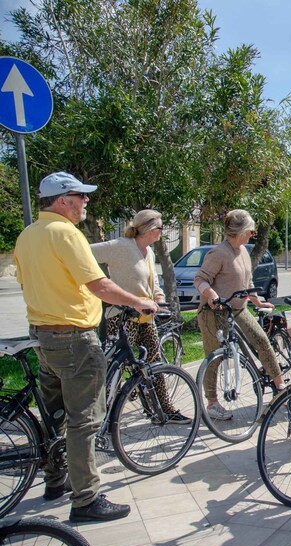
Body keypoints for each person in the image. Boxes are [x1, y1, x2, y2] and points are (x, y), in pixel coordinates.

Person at [14, 171, 157, 522]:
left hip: (43, 335)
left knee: (54, 415)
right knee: (84, 420)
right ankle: (86, 499)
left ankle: (55, 480)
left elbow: (26, 279)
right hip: (74, 336)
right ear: (63, 200)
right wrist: (139, 303)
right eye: (81, 196)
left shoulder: (28, 234)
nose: (86, 201)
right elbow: (100, 285)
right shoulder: (66, 234)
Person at [90, 209, 191, 424]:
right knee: (114, 368)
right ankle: (102, 415)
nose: (162, 232)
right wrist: (98, 284)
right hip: (122, 317)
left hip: (146, 319)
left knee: (155, 365)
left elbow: (150, 284)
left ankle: (163, 409)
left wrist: (160, 297)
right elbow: (84, 254)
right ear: (149, 228)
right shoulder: (121, 247)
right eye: (161, 228)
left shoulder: (150, 252)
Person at [194, 209, 285, 420]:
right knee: (214, 357)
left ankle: (281, 387)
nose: (253, 234)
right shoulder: (219, 253)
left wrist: (257, 300)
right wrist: (210, 293)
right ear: (240, 231)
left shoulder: (243, 251)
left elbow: (247, 281)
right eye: (250, 231)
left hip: (239, 309)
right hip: (214, 313)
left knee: (261, 340)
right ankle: (212, 403)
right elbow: (200, 279)